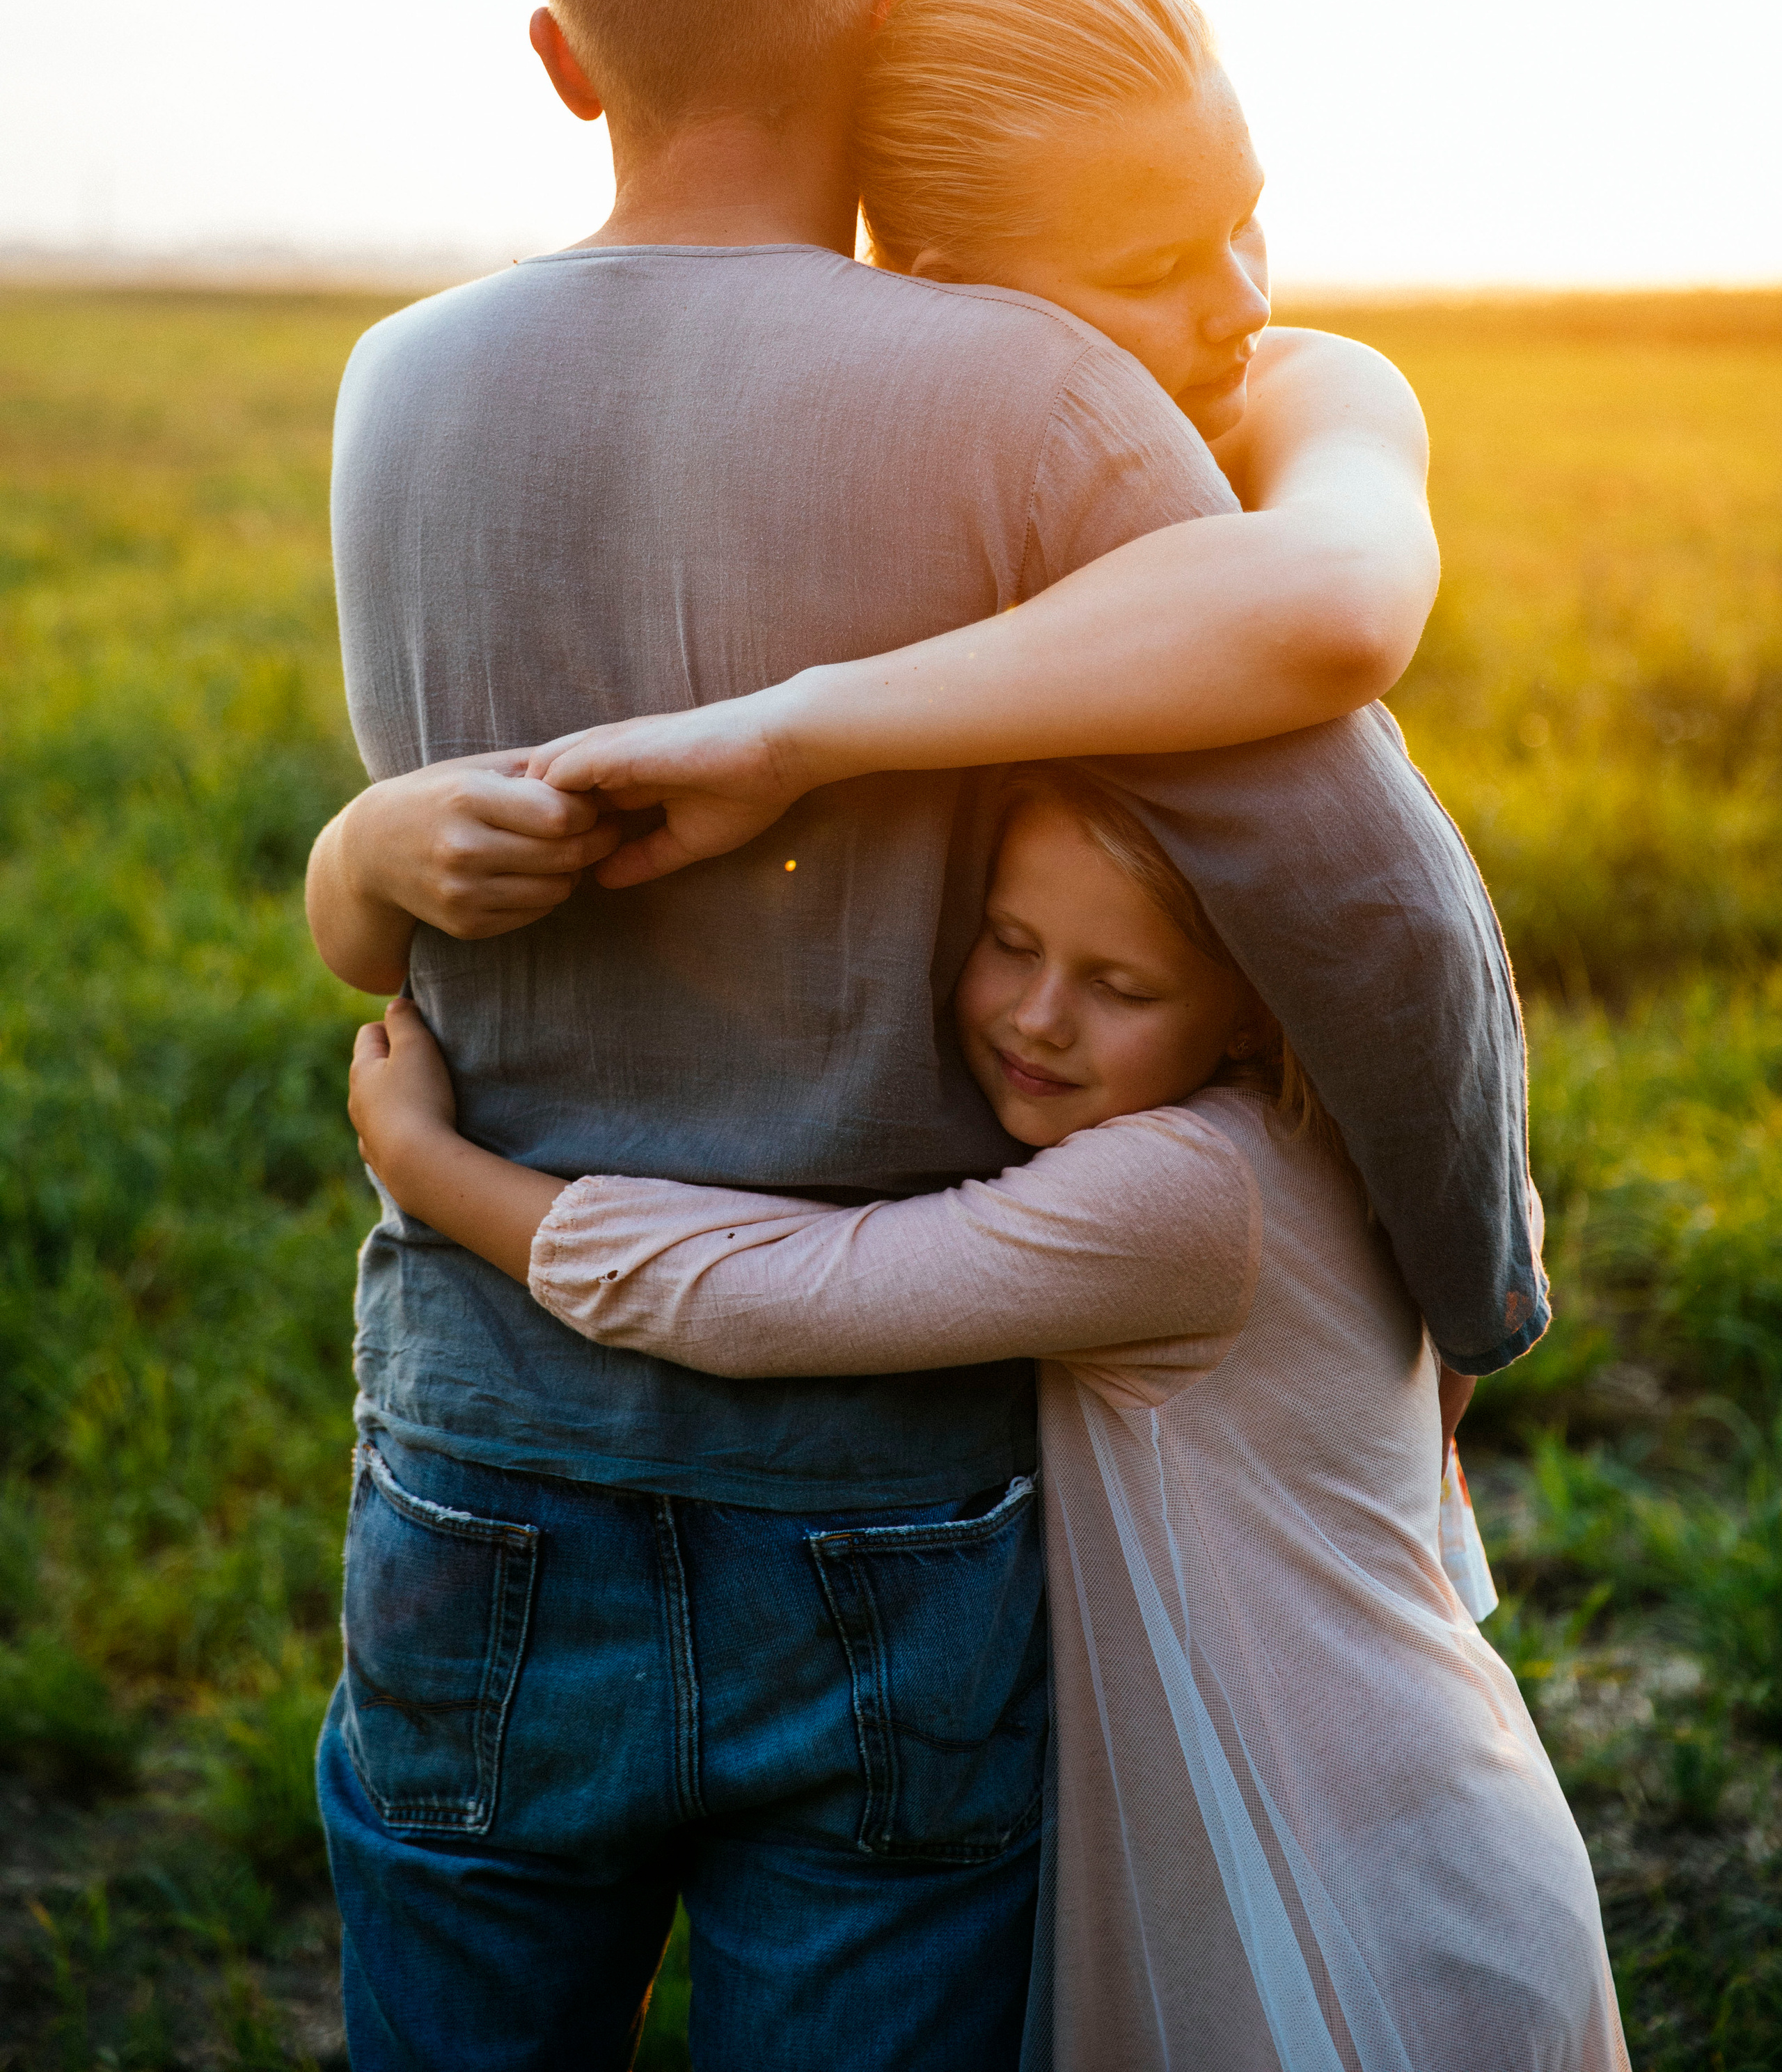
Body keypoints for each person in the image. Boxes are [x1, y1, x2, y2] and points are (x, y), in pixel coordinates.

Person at [306, 0, 1537, 2071]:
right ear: (877, 13)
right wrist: (1475, 1291)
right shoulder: (1036, 399)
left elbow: (416, 876)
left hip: (480, 1443)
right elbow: (1352, 879)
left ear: (563, 60)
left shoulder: (394, 387)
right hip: (880, 1496)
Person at [343, 766, 1626, 2072]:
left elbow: (760, 1295)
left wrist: (425, 1165)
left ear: (1249, 1016)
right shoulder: (1346, 1146)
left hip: (1367, 1899)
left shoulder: (1182, 1192)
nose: (1040, 1016)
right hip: (1391, 1817)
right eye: (1008, 944)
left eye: (1122, 988)